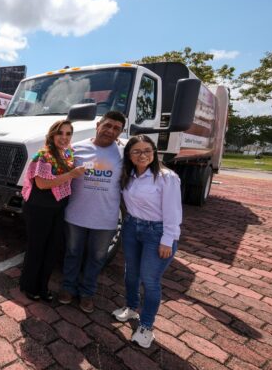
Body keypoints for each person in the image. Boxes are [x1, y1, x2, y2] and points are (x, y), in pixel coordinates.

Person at [112, 135, 182, 348]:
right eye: (137, 151)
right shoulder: (129, 175)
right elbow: (119, 142)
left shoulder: (166, 177)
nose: (143, 155)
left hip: (157, 232)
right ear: (129, 156)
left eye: (147, 150)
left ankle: (147, 326)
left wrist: (167, 240)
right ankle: (132, 307)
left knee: (149, 280)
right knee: (130, 273)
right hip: (132, 227)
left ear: (154, 152)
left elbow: (173, 212)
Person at [59, 110, 127, 312]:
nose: (110, 130)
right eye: (107, 125)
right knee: (72, 253)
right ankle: (67, 288)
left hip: (105, 218)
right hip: (75, 214)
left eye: (117, 128)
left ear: (120, 133)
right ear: (98, 125)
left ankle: (87, 293)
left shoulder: (124, 154)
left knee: (97, 258)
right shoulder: (76, 149)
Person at [20, 120, 86, 301]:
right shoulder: (44, 155)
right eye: (60, 133)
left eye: (68, 134)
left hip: (57, 207)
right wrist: (71, 175)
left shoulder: (68, 153)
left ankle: (42, 286)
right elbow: (42, 184)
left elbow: (90, 144)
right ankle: (29, 286)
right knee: (37, 248)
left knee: (52, 248)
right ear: (52, 135)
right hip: (39, 208)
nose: (64, 137)